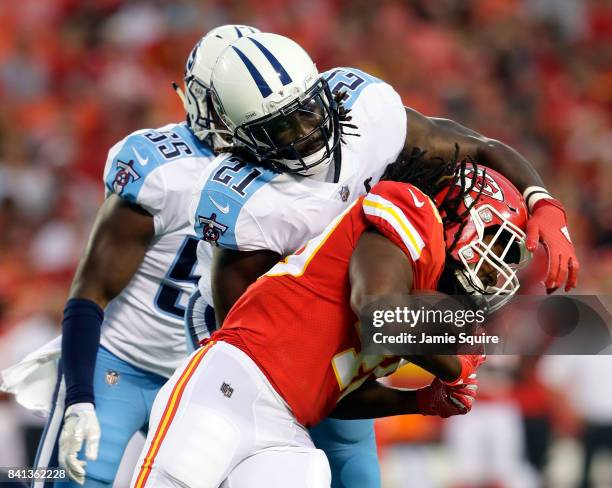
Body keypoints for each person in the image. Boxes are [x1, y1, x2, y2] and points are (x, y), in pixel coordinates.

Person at [189, 32, 577, 488]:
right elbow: (276, 369)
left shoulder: (369, 116)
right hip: (252, 355)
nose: (303, 133)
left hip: (349, 320)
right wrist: (445, 375)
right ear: (241, 139)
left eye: (307, 111)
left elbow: (476, 145)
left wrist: (543, 202)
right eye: (279, 128)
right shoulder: (253, 208)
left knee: (355, 465)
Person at [132, 154, 532, 488]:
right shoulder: (414, 209)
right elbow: (378, 313)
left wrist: (421, 400)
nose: (498, 269)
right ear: (460, 212)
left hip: (287, 428)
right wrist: (453, 368)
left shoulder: (420, 309)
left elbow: (337, 395)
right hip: (233, 381)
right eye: (498, 240)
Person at [26, 25, 260, 488]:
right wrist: (79, 397)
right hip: (116, 366)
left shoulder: (280, 173)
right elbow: (90, 288)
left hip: (195, 379)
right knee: (64, 480)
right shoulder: (161, 168)